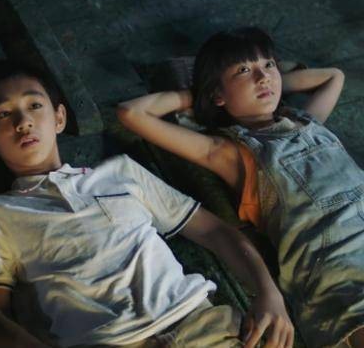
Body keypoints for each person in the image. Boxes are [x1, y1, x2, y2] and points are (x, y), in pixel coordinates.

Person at [0, 59, 293, 348]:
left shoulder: (121, 172)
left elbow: (214, 231)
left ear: (59, 117)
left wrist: (269, 293)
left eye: (35, 105)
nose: (23, 122)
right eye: (4, 114)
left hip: (200, 325)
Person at [117, 26, 363, 347]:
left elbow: (333, 76)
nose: (262, 77)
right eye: (244, 71)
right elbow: (132, 113)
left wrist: (272, 80)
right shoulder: (230, 153)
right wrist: (202, 96)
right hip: (337, 264)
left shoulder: (307, 121)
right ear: (218, 95)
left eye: (268, 65)